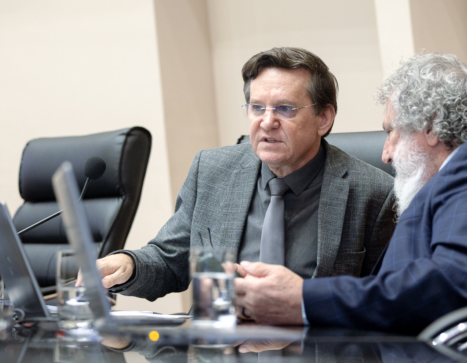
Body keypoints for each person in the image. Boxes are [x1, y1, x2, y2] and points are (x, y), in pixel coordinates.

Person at [235, 53, 467, 334]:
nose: (385, 154)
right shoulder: (456, 180)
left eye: (391, 132)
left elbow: (453, 283)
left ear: (432, 126)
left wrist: (302, 299)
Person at [96, 47, 397, 301]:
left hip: (314, 349)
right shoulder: (212, 171)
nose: (267, 122)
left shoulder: (373, 193)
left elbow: (383, 299)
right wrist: (128, 264)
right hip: (223, 346)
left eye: (285, 109)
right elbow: (169, 259)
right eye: (257, 108)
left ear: (324, 118)